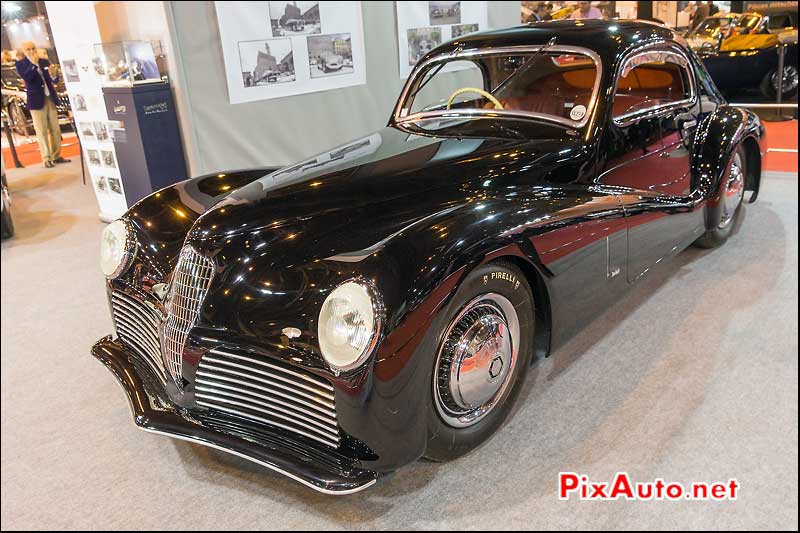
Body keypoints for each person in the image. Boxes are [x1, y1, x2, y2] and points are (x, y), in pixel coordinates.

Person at [14, 41, 69, 168]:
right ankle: (46, 158)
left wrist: (55, 75)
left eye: (33, 48)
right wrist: (33, 64)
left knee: (55, 129)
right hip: (36, 101)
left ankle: (56, 155)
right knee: (41, 130)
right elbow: (28, 78)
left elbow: (53, 80)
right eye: (28, 49)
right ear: (24, 51)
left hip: (49, 98)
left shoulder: (44, 61)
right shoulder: (21, 64)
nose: (32, 51)